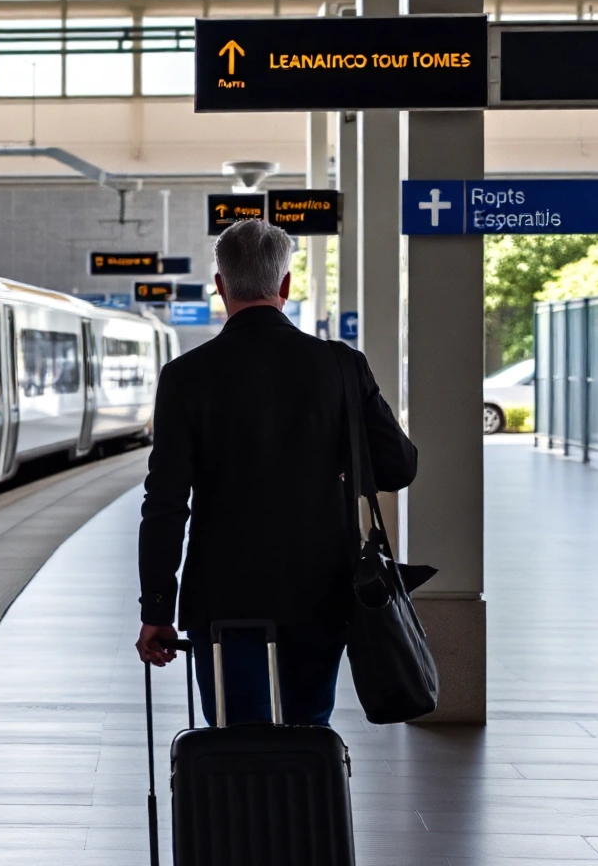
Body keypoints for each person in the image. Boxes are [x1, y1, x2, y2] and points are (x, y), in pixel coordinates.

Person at [137, 217, 417, 730]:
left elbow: (165, 503)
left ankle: (236, 810)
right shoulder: (340, 365)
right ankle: (306, 807)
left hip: (220, 594)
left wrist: (157, 606)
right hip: (320, 589)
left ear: (220, 287)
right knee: (308, 727)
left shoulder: (185, 377)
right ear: (286, 285)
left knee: (232, 735)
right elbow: (398, 466)